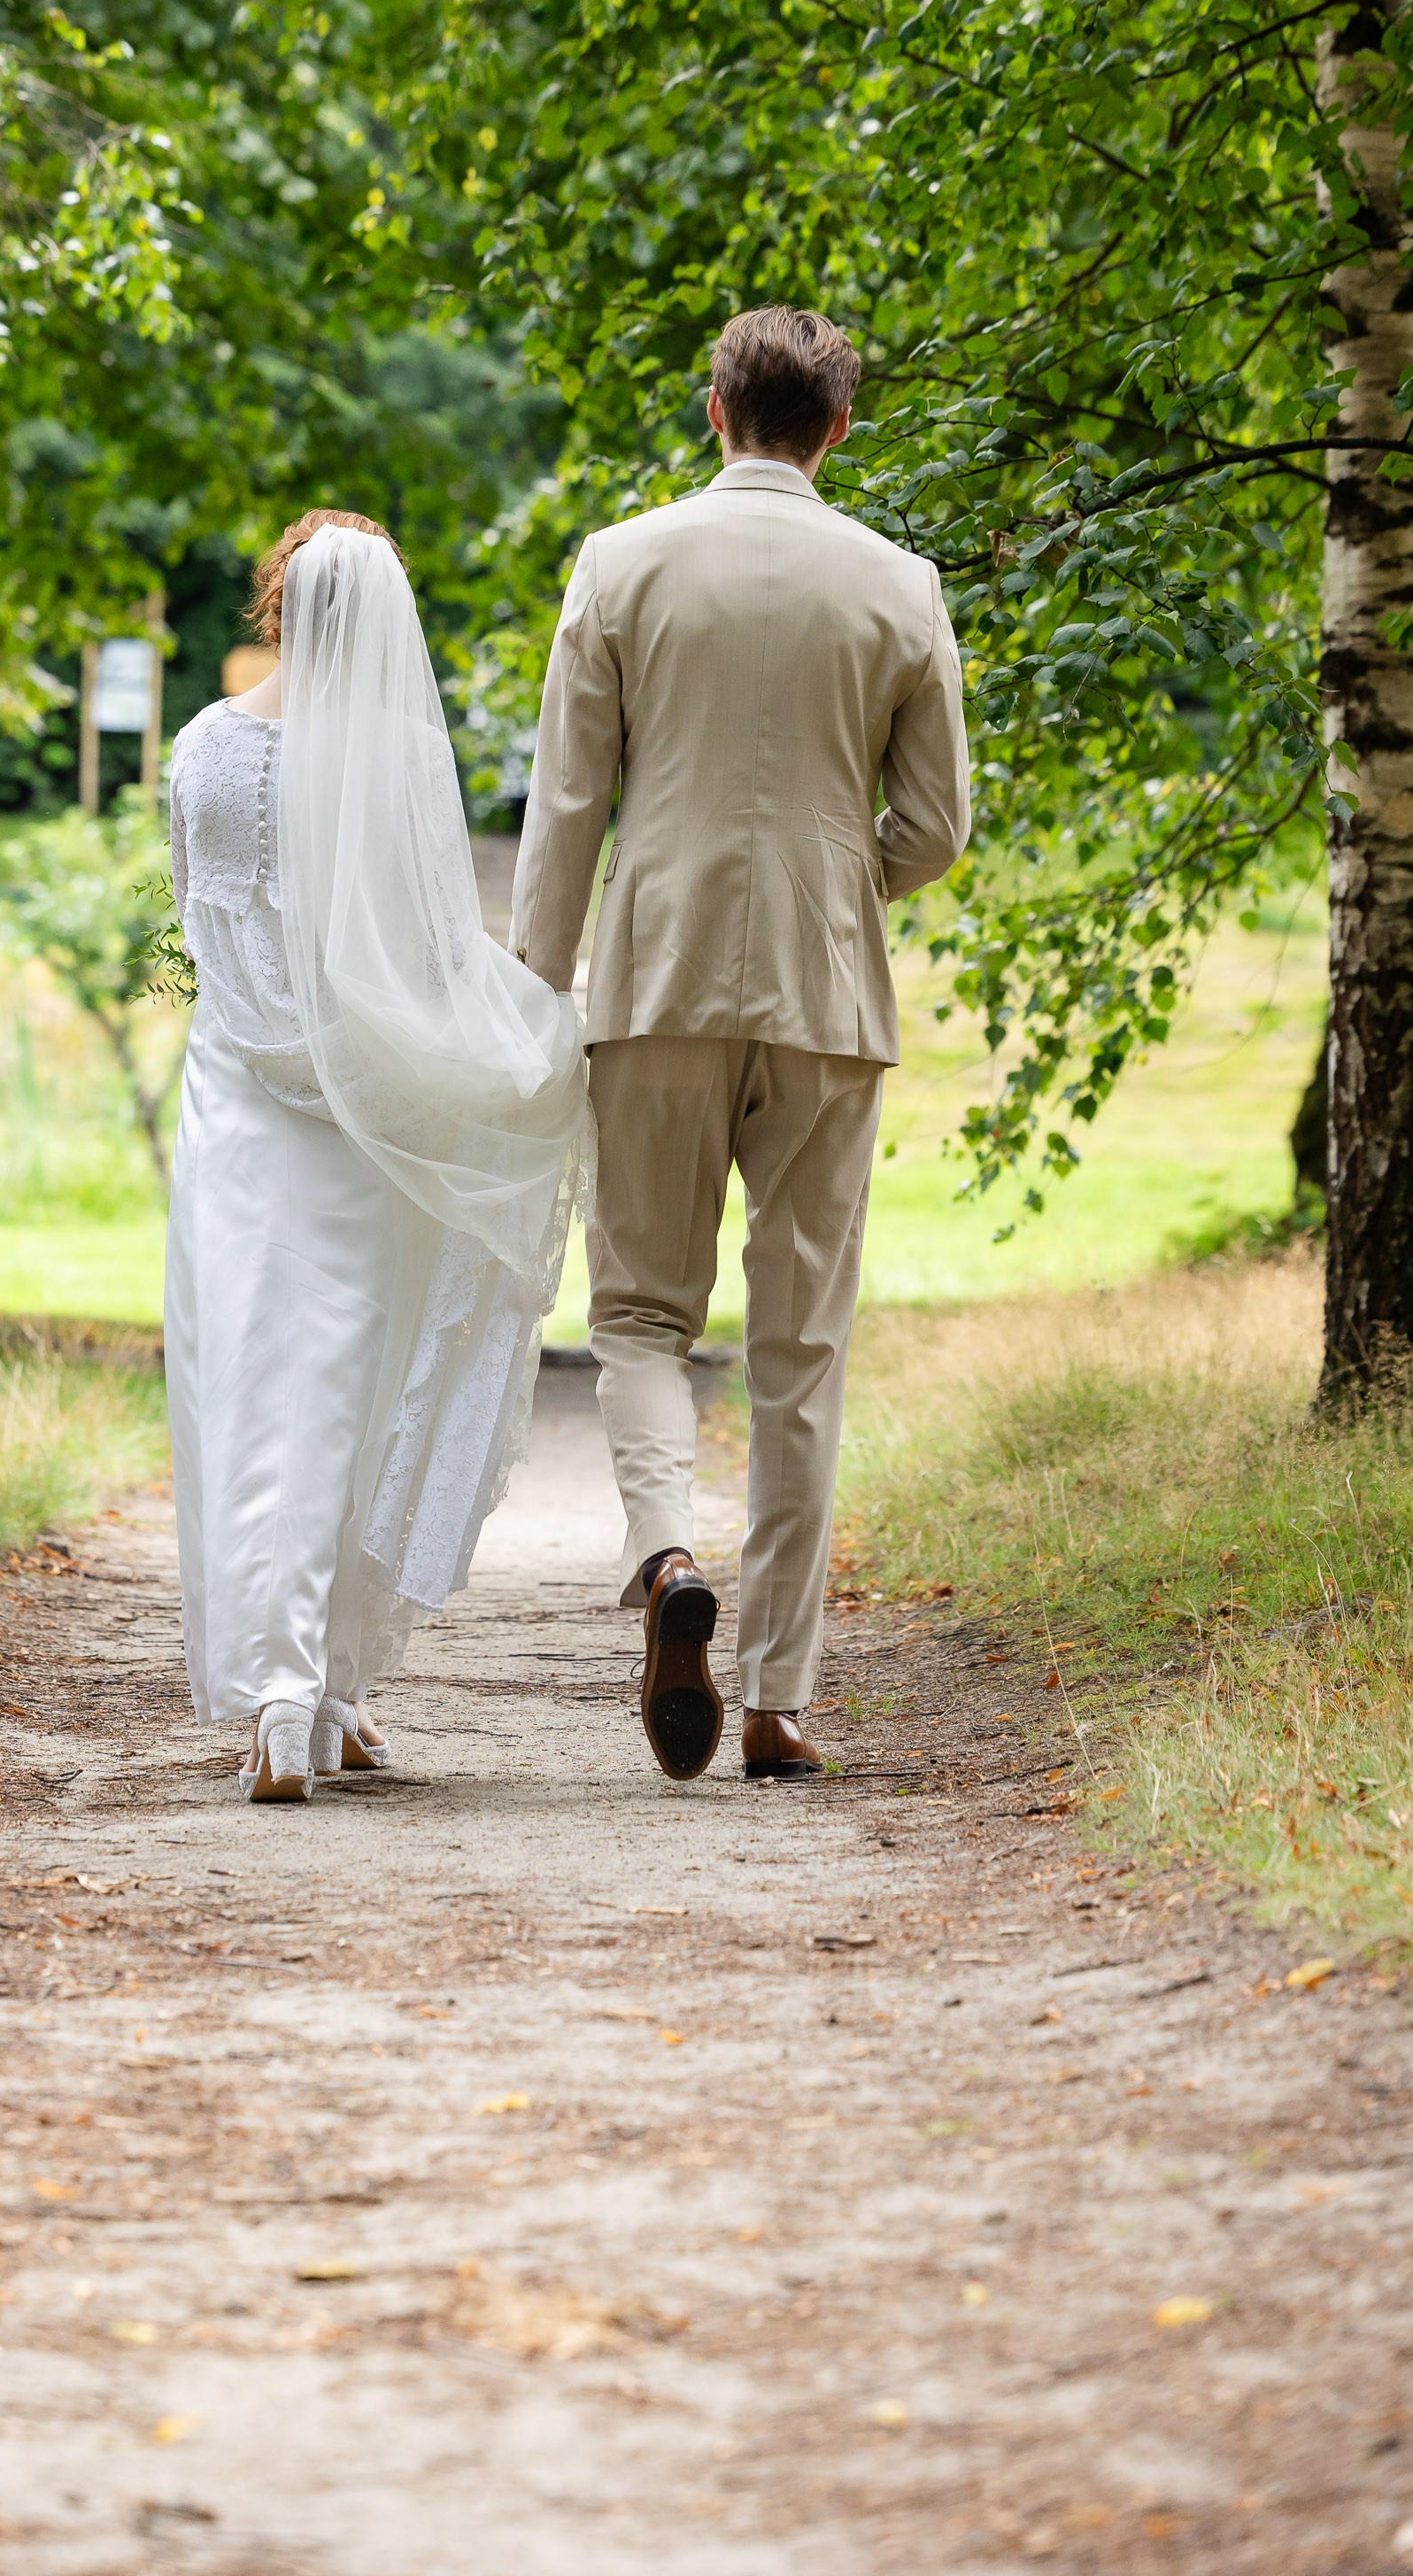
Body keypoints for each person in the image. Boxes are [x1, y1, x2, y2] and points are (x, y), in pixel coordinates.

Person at [510, 305, 971, 1784]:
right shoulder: (900, 586)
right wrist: (841, 890)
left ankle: (664, 1557)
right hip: (828, 998)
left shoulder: (620, 563)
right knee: (802, 1350)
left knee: (641, 1315)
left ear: (714, 409)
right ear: (839, 427)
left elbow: (568, 808)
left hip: (651, 981)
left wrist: (539, 989)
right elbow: (939, 829)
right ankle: (772, 1696)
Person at [166, 511, 591, 1802]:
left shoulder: (201, 751)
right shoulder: (403, 757)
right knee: (362, 1385)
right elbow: (427, 947)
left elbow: (196, 920)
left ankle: (297, 1692)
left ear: (276, 608)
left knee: (251, 1383)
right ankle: (322, 1684)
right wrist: (517, 1042)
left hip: (241, 1116)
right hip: (371, 1127)